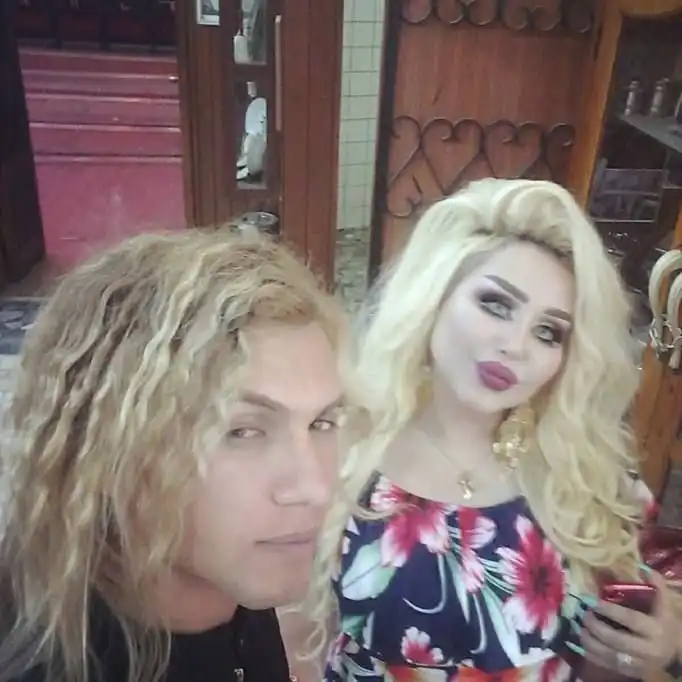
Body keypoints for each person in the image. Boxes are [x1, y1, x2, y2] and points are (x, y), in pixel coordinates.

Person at [304, 178, 682, 682]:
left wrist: (659, 644)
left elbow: (607, 660)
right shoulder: (340, 450)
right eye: (496, 305)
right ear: (435, 294)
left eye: (548, 332)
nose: (515, 346)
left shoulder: (582, 477)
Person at [0, 228, 345, 682]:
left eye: (322, 422)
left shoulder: (225, 576)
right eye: (242, 431)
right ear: (108, 446)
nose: (317, 488)